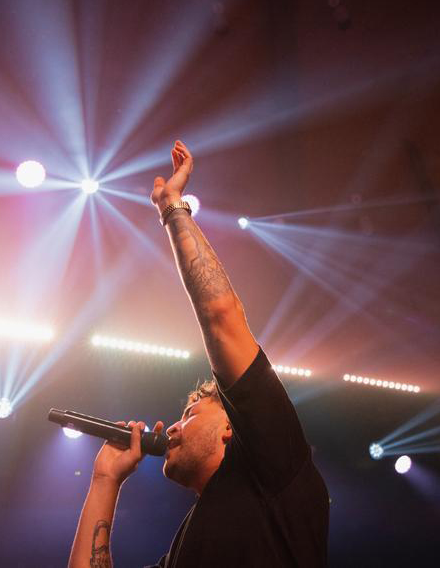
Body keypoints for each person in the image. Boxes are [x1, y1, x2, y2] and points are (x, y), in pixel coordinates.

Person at [67, 140, 329, 567]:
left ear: (233, 429)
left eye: (190, 413)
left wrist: (173, 208)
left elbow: (221, 313)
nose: (173, 424)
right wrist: (104, 480)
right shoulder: (185, 547)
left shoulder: (277, 468)